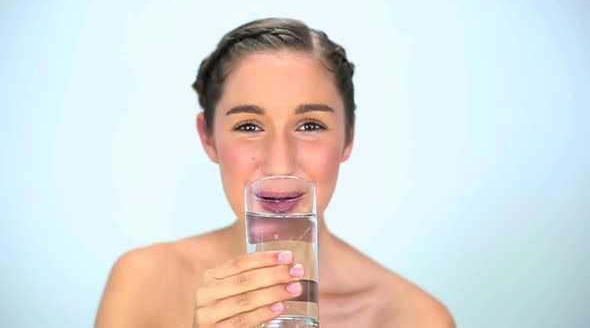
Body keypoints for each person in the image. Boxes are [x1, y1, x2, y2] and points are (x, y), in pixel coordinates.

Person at [95, 18, 455, 328]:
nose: (279, 163)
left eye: (310, 125)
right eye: (249, 126)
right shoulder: (143, 282)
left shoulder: (416, 317)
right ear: (208, 138)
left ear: (348, 138)